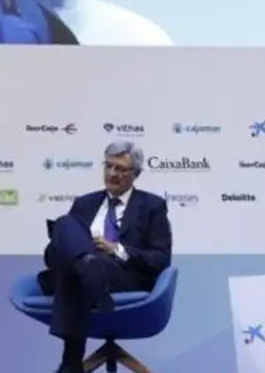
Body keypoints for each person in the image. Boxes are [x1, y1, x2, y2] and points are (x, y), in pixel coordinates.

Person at [39, 141, 172, 373]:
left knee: (77, 271)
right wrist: (68, 248)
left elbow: (160, 258)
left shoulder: (152, 206)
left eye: (121, 169)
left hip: (122, 274)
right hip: (85, 270)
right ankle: (86, 264)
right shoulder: (85, 203)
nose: (112, 174)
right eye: (108, 166)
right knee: (65, 225)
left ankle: (71, 363)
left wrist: (116, 249)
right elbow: (52, 256)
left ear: (136, 174)